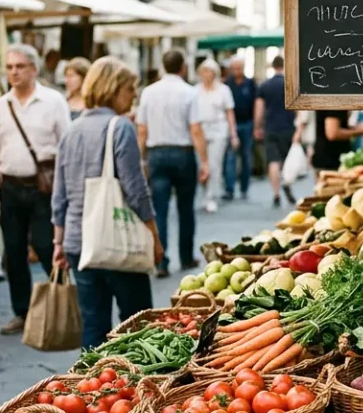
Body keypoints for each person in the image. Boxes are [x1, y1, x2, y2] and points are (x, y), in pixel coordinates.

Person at [52, 57, 162, 347]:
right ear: (113, 89)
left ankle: (92, 388)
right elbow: (136, 190)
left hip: (79, 244)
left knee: (94, 324)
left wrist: (58, 244)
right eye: (129, 89)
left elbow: (59, 195)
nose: (134, 95)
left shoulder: (70, 131)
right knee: (137, 324)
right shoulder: (119, 127)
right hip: (116, 240)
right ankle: (135, 387)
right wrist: (153, 234)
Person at [0, 45, 70, 335]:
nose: (14, 72)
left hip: (43, 186)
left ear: (34, 69)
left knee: (45, 245)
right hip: (11, 186)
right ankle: (22, 312)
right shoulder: (2, 105)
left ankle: (60, 307)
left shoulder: (53, 101)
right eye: (10, 67)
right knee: (13, 251)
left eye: (20, 66)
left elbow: (66, 143)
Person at [137, 48, 205, 277]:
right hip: (183, 153)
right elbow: (195, 130)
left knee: (159, 209)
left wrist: (140, 158)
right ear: (183, 67)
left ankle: (161, 261)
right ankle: (186, 258)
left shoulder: (148, 92)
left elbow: (142, 130)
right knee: (186, 209)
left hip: (157, 154)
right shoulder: (190, 92)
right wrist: (204, 161)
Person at [192, 59, 236, 214]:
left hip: (218, 129)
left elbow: (229, 112)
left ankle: (211, 196)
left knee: (214, 164)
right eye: (204, 71)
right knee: (202, 165)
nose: (206, 75)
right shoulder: (195, 90)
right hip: (200, 130)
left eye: (209, 71)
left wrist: (233, 134)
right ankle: (205, 193)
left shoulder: (223, 90)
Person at [255, 56, 300, 207]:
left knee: (273, 161)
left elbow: (259, 109)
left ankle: (276, 194)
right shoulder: (290, 84)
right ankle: (287, 185)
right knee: (287, 162)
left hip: (271, 127)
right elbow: (298, 109)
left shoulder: (265, 85)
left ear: (273, 67)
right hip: (288, 128)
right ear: (284, 65)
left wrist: (257, 127)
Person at [223, 56, 257, 201]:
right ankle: (229, 189)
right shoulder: (227, 85)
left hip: (247, 123)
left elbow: (256, 103)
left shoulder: (250, 83)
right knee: (230, 157)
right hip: (232, 124)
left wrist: (256, 125)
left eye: (240, 68)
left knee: (246, 156)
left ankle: (244, 188)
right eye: (235, 68)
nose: (237, 71)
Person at [313, 110, 363, 175]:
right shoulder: (335, 103)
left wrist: (354, 128)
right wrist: (361, 131)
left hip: (329, 160)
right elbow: (333, 134)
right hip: (330, 162)